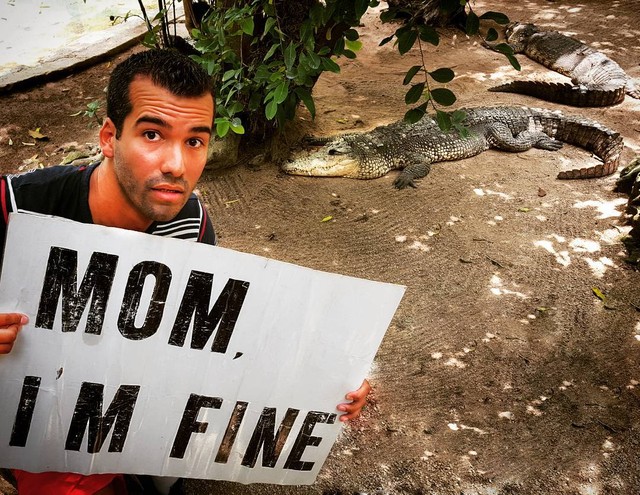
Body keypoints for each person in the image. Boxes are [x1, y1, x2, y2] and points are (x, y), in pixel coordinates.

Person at [0, 49, 371, 495]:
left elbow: (210, 343)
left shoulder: (190, 226)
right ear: (109, 137)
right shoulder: (17, 207)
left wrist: (328, 381)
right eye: (152, 134)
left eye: (195, 141)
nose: (176, 165)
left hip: (118, 420)